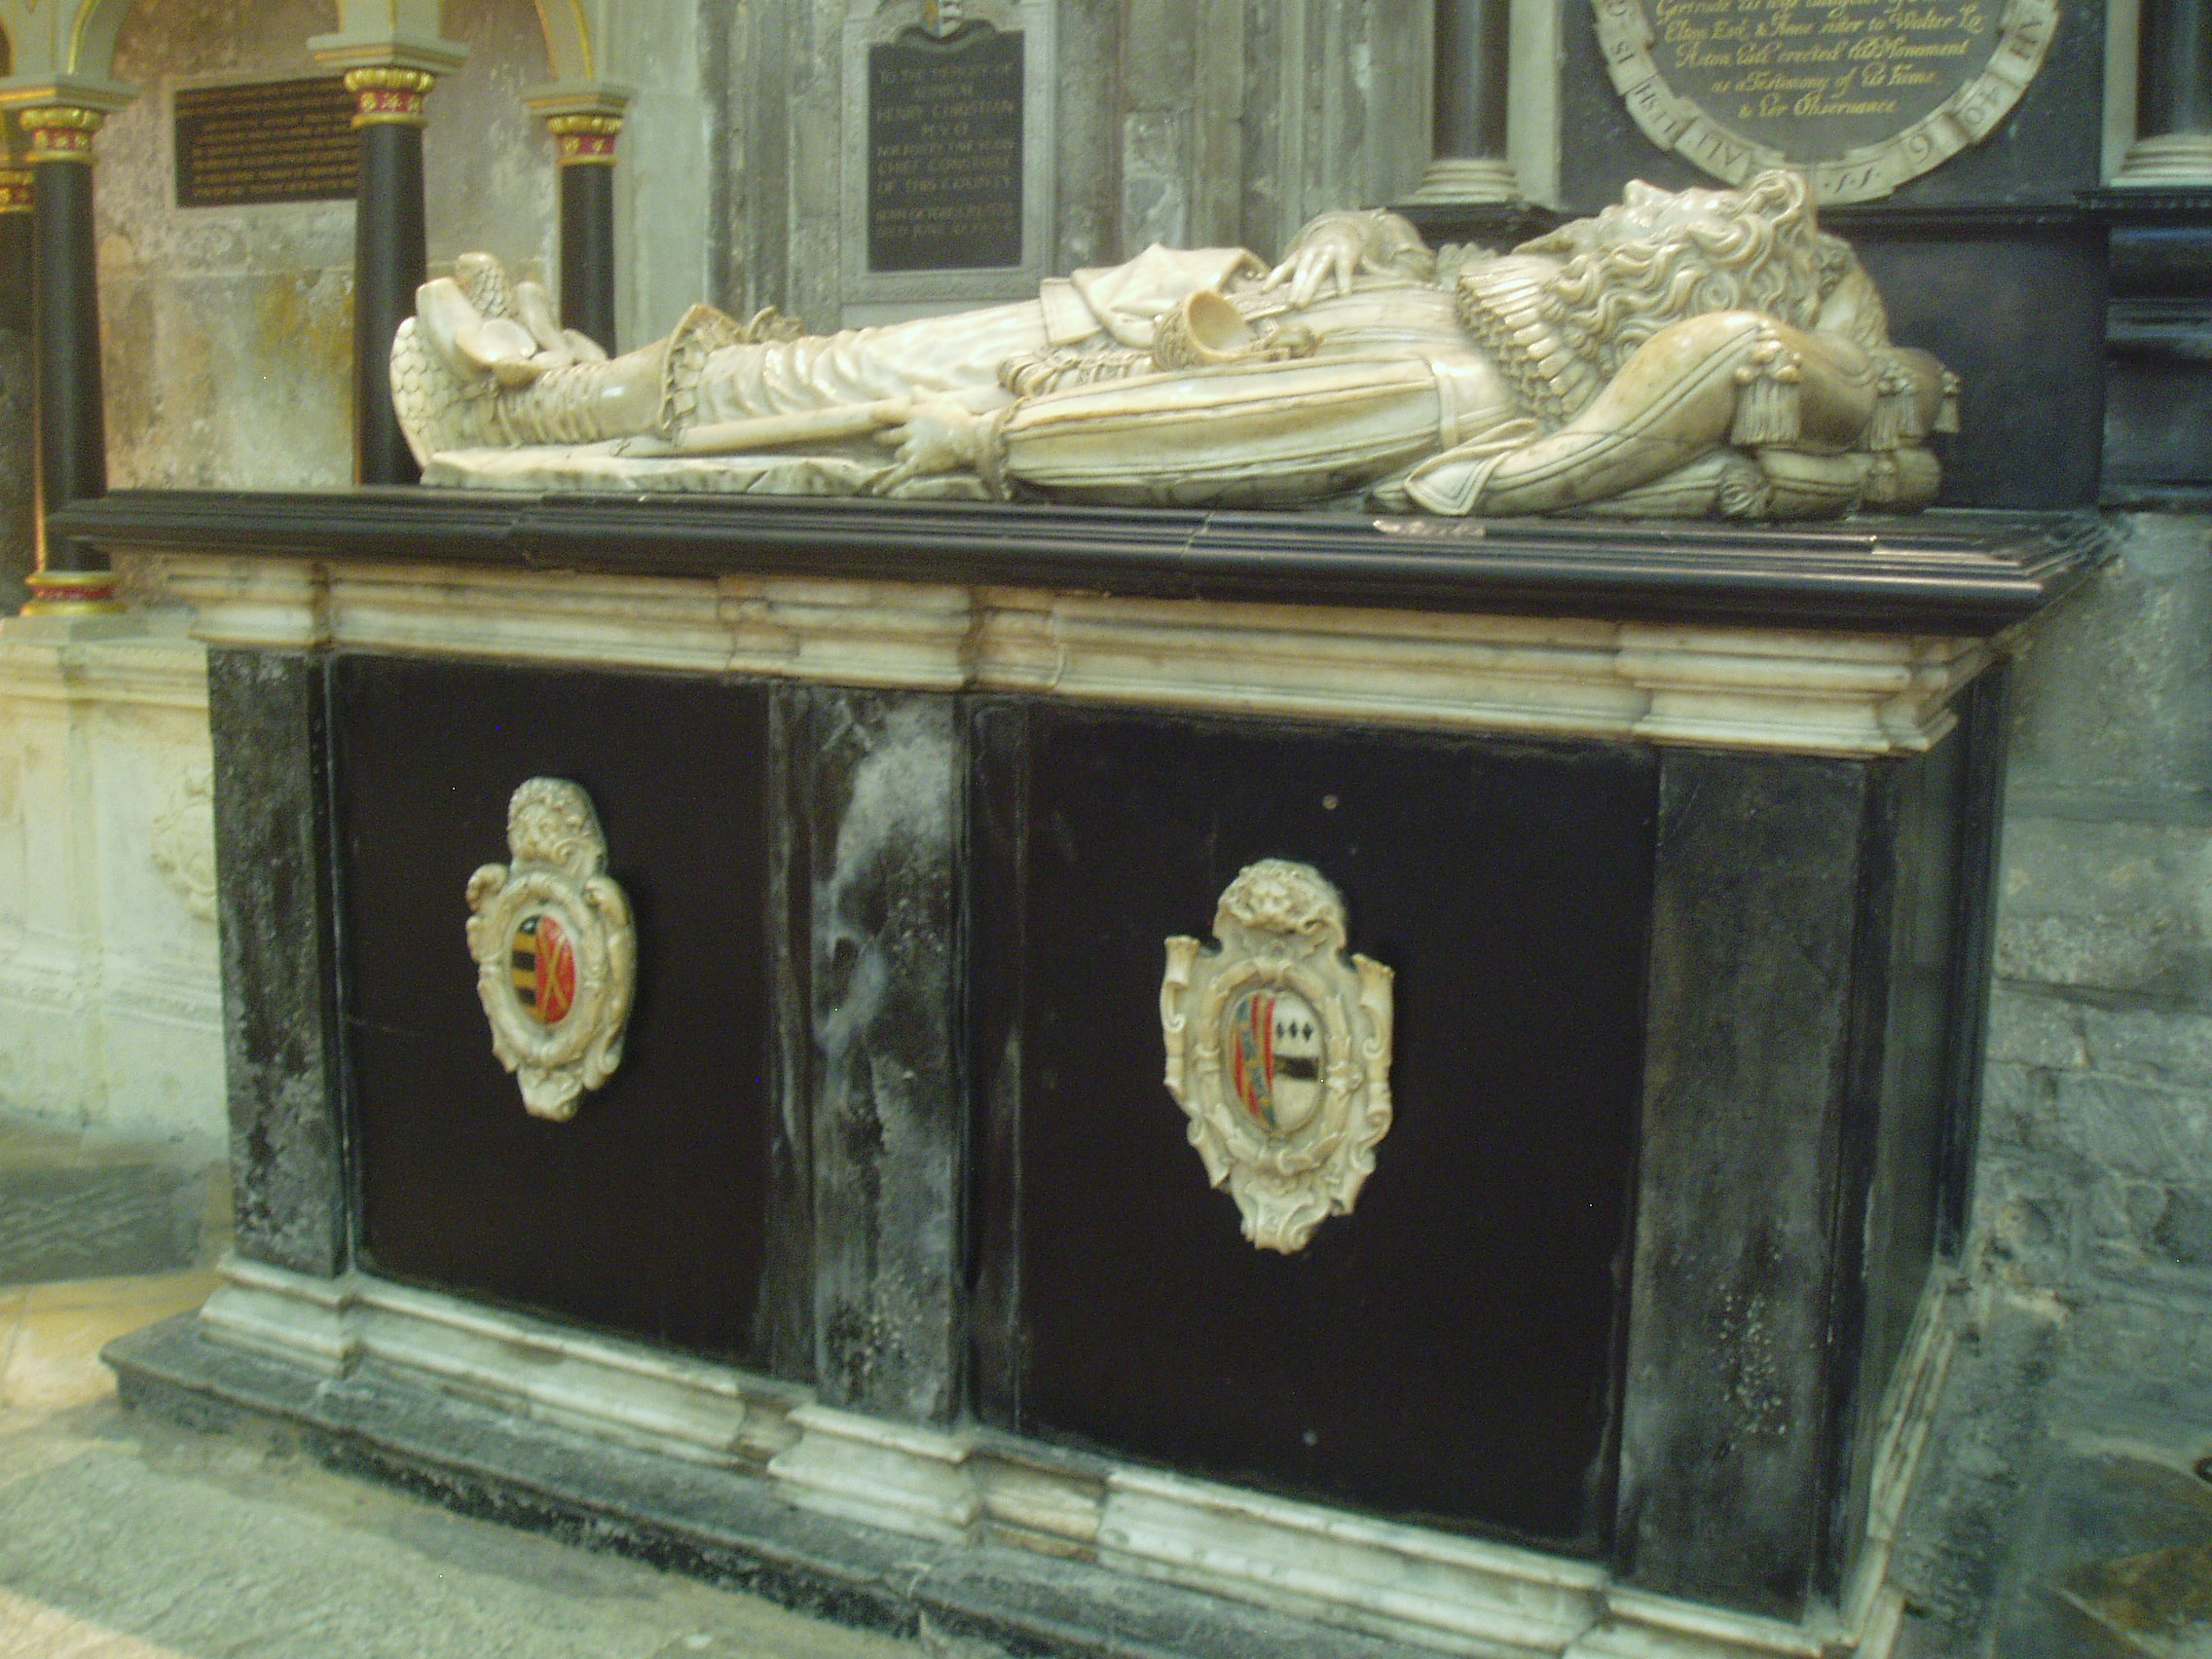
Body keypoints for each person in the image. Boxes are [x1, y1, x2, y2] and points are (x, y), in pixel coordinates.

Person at [392, 168, 1953, 520]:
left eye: (1654, 214)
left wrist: (1000, 442)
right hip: (1141, 313)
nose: (1622, 196)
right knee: (848, 351)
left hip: (1061, 394)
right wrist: (1369, 238)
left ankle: (535, 406)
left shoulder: (1483, 383)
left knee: (832, 386)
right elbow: (1409, 263)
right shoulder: (1523, 301)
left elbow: (1220, 439)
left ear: (1664, 288)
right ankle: (566, 374)